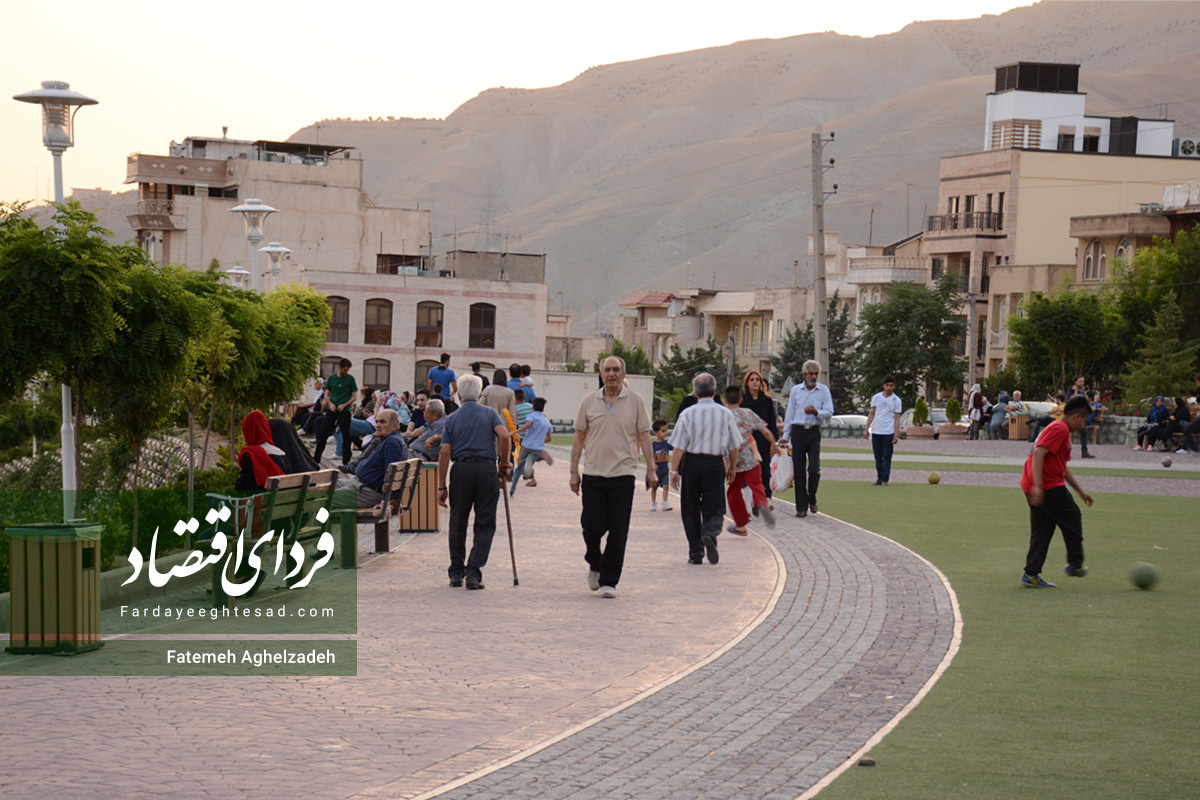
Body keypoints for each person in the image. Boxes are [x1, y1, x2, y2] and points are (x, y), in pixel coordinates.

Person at [570, 355, 657, 598]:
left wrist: (650, 469)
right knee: (590, 526)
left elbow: (644, 437)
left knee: (618, 529)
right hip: (594, 473)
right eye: (607, 370)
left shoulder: (635, 401)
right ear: (600, 374)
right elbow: (578, 437)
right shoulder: (589, 401)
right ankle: (594, 562)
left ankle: (609, 580)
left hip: (623, 473)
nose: (611, 374)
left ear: (623, 373)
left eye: (616, 370)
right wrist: (573, 472)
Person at [437, 375, 511, 590]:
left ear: (459, 395)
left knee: (457, 521)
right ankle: (474, 572)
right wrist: (503, 464)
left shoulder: (452, 418)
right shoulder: (489, 413)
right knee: (485, 522)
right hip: (486, 470)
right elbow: (504, 437)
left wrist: (442, 486)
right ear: (480, 394)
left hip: (460, 470)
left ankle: (455, 572)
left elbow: (444, 452)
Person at [1019, 395, 1095, 588]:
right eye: (1084, 420)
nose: (1083, 425)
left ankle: (1031, 573)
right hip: (1047, 486)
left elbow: (1062, 466)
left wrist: (1080, 491)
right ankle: (1076, 564)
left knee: (1043, 529)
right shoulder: (1059, 429)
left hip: (1037, 485)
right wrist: (1038, 487)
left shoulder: (1062, 431)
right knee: (1072, 516)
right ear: (1077, 416)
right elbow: (1039, 453)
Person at [668, 373, 742, 565]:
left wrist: (674, 471)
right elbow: (734, 446)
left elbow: (679, 446)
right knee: (715, 505)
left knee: (690, 508)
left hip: (691, 463)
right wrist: (732, 467)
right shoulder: (725, 413)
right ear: (715, 391)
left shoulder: (687, 413)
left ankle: (695, 552)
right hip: (714, 463)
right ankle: (709, 532)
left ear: (696, 392)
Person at [722, 385, 778, 536]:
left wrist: (727, 465)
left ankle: (741, 526)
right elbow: (764, 430)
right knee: (757, 485)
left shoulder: (723, 416)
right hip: (750, 457)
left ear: (725, 400)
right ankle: (762, 504)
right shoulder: (748, 413)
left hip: (733, 459)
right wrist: (773, 443)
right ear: (741, 399)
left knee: (733, 492)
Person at [781, 360, 834, 517]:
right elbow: (790, 413)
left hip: (813, 432)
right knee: (799, 471)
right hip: (798, 432)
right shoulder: (796, 390)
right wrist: (786, 435)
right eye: (811, 374)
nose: (813, 377)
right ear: (804, 374)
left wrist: (816, 412)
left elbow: (830, 411)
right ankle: (801, 507)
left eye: (816, 374)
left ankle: (812, 496)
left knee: (814, 469)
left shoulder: (823, 390)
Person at [350, 409, 409, 509]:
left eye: (382, 422)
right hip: (359, 484)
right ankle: (321, 522)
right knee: (320, 490)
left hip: (367, 491)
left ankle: (319, 523)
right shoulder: (389, 439)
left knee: (324, 499)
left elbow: (390, 474)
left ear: (394, 426)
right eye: (377, 421)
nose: (377, 425)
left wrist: (386, 501)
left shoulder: (392, 443)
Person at [740, 370, 778, 510]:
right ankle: (748, 500)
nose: (755, 382)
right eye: (752, 380)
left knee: (764, 470)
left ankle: (766, 499)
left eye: (757, 379)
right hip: (748, 440)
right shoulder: (743, 401)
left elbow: (772, 422)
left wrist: (774, 442)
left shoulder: (767, 400)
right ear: (747, 383)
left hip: (763, 440)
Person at [314, 358, 357, 466]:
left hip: (344, 409)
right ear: (339, 367)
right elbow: (327, 394)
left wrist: (345, 405)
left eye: (347, 370)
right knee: (324, 433)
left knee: (345, 435)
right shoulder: (332, 379)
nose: (346, 372)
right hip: (332, 409)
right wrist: (330, 404)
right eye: (344, 370)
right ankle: (316, 458)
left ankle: (346, 460)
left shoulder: (350, 379)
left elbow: (354, 396)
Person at [864, 375, 902, 486]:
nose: (889, 388)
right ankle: (879, 477)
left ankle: (885, 478)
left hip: (888, 432)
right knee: (877, 457)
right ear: (883, 386)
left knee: (887, 456)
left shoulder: (896, 400)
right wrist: (867, 428)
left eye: (891, 385)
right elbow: (872, 413)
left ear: (894, 386)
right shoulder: (876, 397)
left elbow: (897, 418)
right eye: (887, 385)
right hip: (876, 431)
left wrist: (896, 434)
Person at [235, 410, 287, 491]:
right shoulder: (282, 453)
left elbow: (241, 487)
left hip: (259, 502)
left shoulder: (251, 454)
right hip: (281, 501)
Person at [511, 397, 551, 495]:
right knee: (529, 463)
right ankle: (536, 459)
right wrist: (540, 442)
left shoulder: (532, 416)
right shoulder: (547, 422)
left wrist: (514, 433)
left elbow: (527, 425)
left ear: (533, 407)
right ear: (543, 409)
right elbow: (549, 439)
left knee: (519, 468)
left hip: (526, 445)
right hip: (537, 448)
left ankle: (512, 489)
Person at [650, 419, 673, 511]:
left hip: (665, 470)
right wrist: (652, 465)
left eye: (666, 430)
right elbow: (650, 456)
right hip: (656, 471)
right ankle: (653, 502)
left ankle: (665, 502)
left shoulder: (667, 444)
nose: (665, 433)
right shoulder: (653, 445)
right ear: (656, 433)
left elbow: (676, 447)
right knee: (654, 487)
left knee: (666, 486)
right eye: (663, 431)